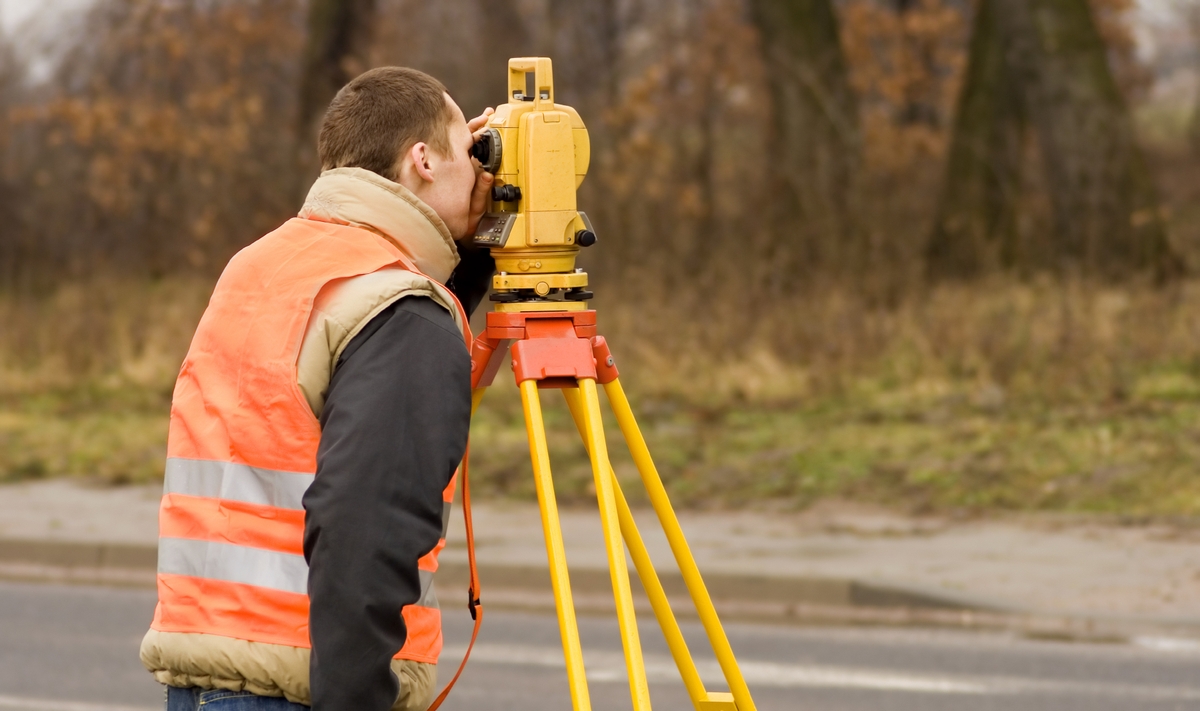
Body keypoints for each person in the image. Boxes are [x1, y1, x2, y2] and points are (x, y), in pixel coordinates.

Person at [139, 66, 497, 711]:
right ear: (422, 160)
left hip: (206, 671)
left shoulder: (262, 263)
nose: (479, 172)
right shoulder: (400, 310)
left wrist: (465, 263)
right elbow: (366, 520)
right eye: (467, 153)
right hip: (310, 684)